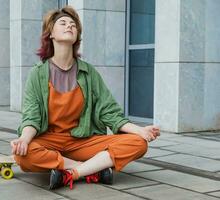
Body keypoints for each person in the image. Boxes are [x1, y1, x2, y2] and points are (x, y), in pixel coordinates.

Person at [10, 6, 160, 190]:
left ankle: (73, 173)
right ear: (50, 34)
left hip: (83, 141)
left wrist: (139, 130)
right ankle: (92, 169)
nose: (69, 26)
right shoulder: (38, 73)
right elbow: (32, 116)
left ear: (77, 36)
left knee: (138, 143)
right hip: (50, 140)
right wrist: (24, 140)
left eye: (73, 25)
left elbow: (109, 111)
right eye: (63, 23)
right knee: (22, 155)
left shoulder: (88, 73)